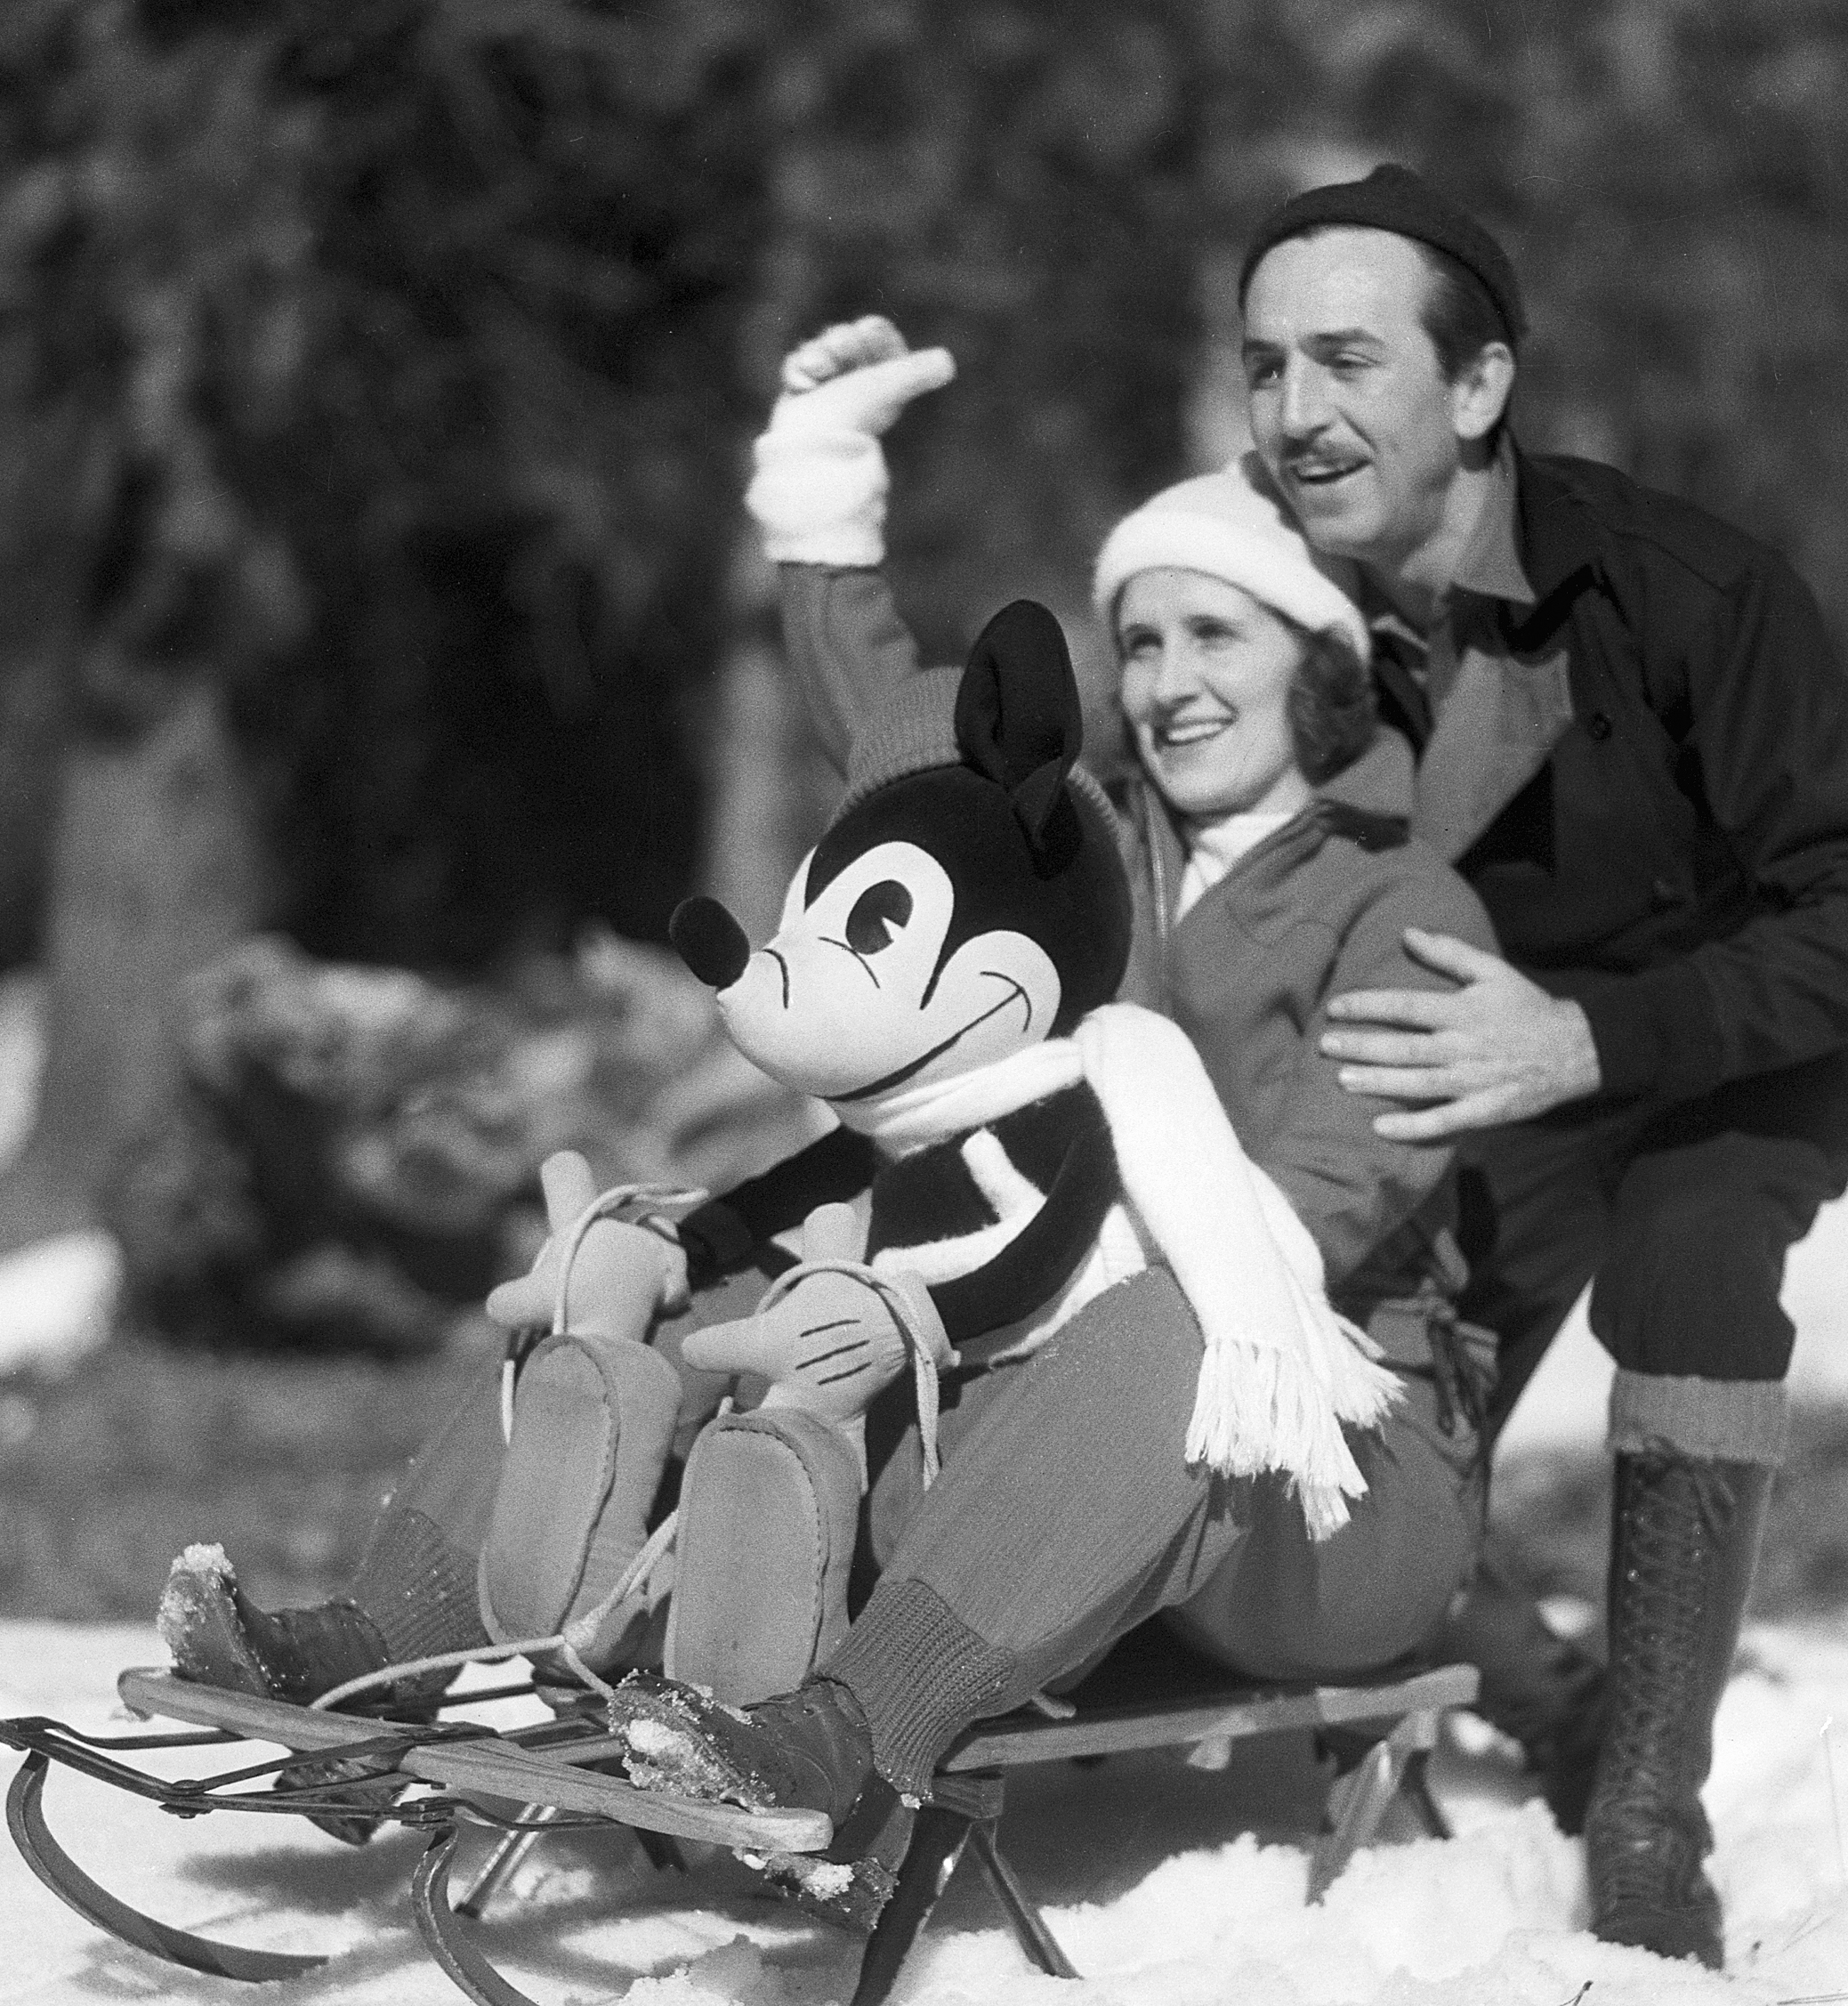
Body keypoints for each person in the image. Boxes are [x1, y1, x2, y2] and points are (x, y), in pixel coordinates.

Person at [160, 323, 1500, 1869]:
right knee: (669, 1249)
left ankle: (845, 1739)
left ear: (1317, 656)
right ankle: (379, 1643)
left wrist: (946, 1281)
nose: (1169, 680)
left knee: (1175, 1309)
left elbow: (1320, 1213)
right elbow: (904, 733)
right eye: (1138, 641)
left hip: (1320, 1464)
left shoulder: (1403, 907)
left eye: (1217, 635)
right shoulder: (1086, 854)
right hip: (1026, 1387)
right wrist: (819, 500)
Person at [1229, 166, 1848, 1964]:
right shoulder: (1263, 612)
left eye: (1346, 359)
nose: (1294, 414)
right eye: (1260, 369)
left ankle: (1646, 1808)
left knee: (1691, 1258)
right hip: (1482, 1089)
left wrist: (1590, 1032)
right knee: (1325, 1382)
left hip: (1733, 1058)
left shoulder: (1683, 589)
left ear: (1477, 387)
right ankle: (1549, 1709)